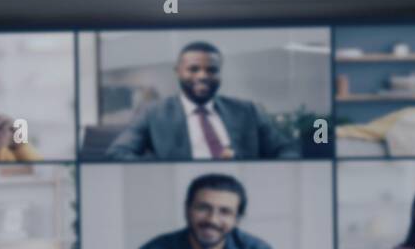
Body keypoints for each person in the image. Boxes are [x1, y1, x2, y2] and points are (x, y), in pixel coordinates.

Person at [105, 41, 298, 160]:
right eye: (194, 69)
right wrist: (160, 167)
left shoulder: (247, 111)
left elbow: (287, 150)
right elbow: (118, 153)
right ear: (178, 72)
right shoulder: (154, 113)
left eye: (212, 70)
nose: (203, 76)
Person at [128, 173, 283, 249]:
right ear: (187, 209)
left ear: (237, 219)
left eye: (225, 212)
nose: (212, 219)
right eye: (203, 208)